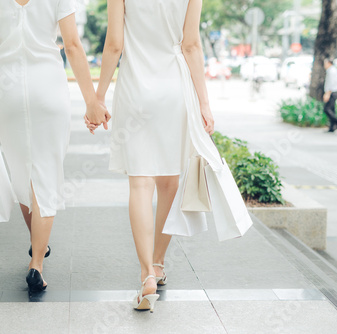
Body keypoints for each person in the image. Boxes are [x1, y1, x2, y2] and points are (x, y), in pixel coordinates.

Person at [88, 0, 221, 312]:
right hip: (174, 91)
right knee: (169, 183)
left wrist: (98, 97)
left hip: (135, 92)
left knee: (140, 185)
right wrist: (204, 102)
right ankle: (159, 264)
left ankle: (147, 272)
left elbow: (114, 44)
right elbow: (191, 45)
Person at [0, 0, 110, 292]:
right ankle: (37, 262)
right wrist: (92, 102)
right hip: (48, 87)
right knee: (45, 173)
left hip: (6, 93)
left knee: (22, 173)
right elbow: (72, 45)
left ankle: (38, 244)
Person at [323, 58, 337, 132]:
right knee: (332, 110)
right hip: (334, 92)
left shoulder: (331, 71)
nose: (324, 65)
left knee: (327, 109)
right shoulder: (334, 70)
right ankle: (332, 127)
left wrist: (327, 93)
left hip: (332, 92)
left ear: (329, 63)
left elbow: (331, 83)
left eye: (325, 63)